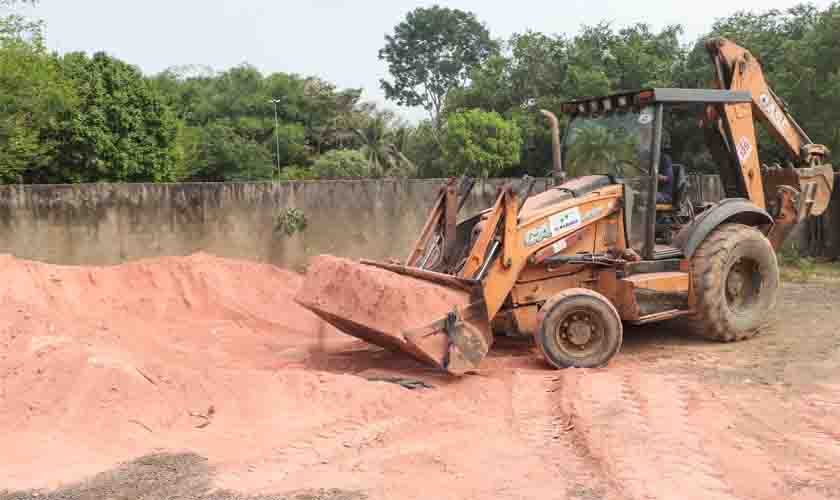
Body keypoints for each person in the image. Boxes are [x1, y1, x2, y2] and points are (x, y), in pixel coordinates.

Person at [657, 136, 674, 204]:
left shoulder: (665, 159)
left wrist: (655, 177)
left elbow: (667, 178)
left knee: (644, 196)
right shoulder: (650, 161)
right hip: (654, 192)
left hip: (665, 195)